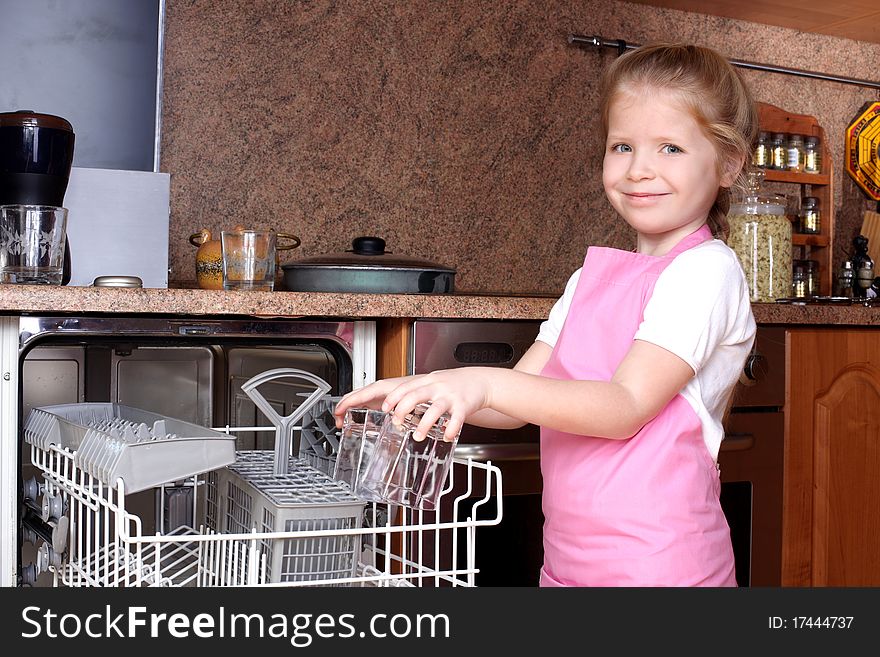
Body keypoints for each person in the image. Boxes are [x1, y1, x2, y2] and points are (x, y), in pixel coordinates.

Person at [333, 42, 758, 587]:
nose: (638, 169)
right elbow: (518, 401)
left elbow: (624, 405)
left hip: (660, 569)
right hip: (566, 566)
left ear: (728, 163)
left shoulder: (707, 272)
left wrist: (480, 383)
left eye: (670, 148)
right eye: (622, 145)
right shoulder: (589, 281)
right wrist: (423, 387)